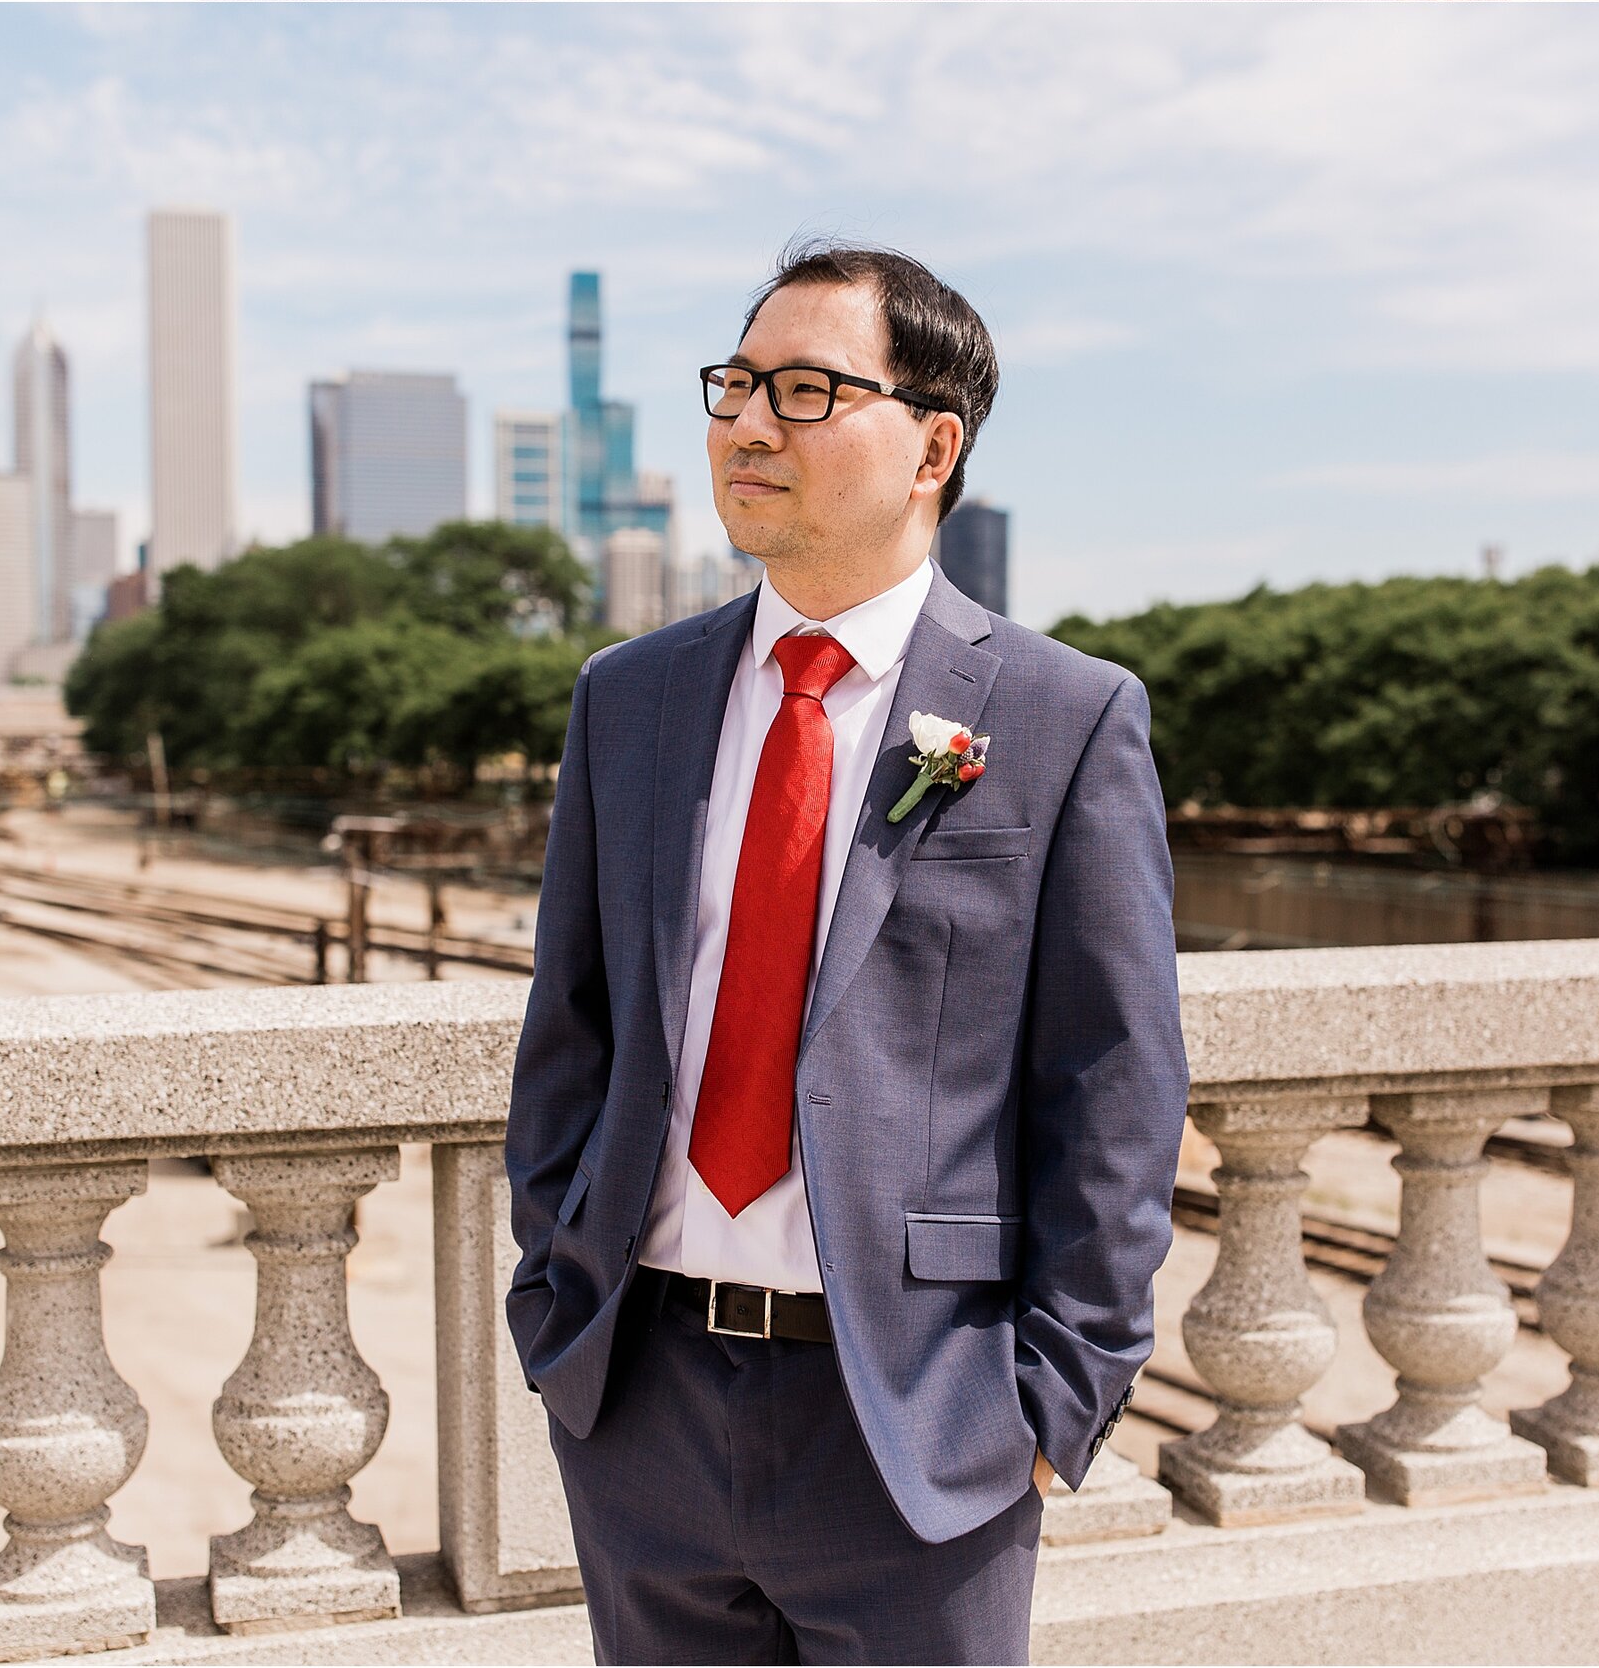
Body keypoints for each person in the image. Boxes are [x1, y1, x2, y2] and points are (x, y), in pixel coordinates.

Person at [505, 243, 1187, 1668]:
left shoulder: (1066, 716)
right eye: (737, 383)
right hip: (644, 1412)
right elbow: (573, 1029)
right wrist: (554, 1302)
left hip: (918, 1434)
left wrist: (1053, 1405)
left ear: (934, 443)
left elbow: (1115, 1088)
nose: (749, 424)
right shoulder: (625, 699)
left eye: (808, 390)